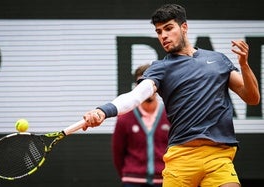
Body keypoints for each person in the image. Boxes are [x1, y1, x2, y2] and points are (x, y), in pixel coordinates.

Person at [82, 4, 260, 187]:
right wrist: (103, 111)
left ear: (184, 27)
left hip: (218, 158)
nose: (163, 36)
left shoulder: (218, 60)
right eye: (159, 32)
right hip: (181, 159)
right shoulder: (160, 68)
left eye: (168, 28)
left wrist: (244, 65)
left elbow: (252, 98)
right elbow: (135, 96)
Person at [112, 64, 170, 187]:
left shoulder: (170, 115)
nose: (146, 89)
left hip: (164, 180)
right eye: (141, 84)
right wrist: (129, 174)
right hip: (133, 181)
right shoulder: (124, 118)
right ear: (136, 87)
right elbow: (118, 153)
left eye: (152, 83)